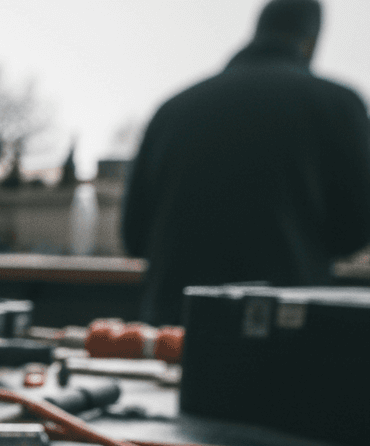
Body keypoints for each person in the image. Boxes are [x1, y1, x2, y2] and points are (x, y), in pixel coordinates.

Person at [121, 0, 370, 325]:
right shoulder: (338, 105)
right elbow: (356, 228)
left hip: (173, 331)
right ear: (311, 41)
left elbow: (134, 236)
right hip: (282, 330)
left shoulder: (173, 110)